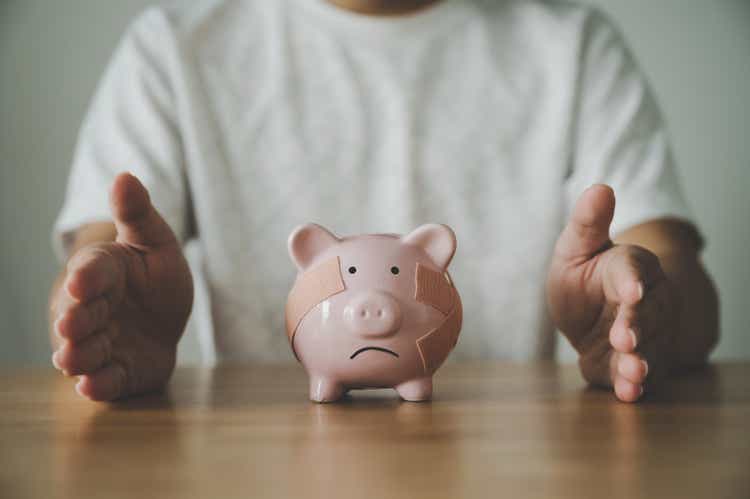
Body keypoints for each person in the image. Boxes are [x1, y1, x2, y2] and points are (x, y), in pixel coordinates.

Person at [48, 0, 718, 403]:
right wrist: (104, 313)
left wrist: (640, 309)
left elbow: (668, 265)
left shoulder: (574, 46)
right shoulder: (171, 49)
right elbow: (99, 259)